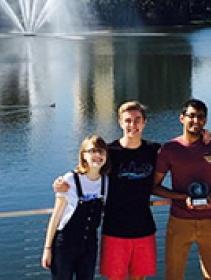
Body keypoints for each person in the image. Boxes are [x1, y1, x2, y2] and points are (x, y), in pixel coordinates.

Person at [53, 101, 159, 280]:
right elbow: (86, 171)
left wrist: (207, 137)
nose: (132, 125)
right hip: (114, 230)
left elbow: (181, 152)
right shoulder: (109, 152)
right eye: (127, 120)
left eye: (137, 120)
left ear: (144, 122)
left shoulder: (154, 150)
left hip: (144, 227)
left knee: (139, 278)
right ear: (120, 122)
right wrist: (60, 183)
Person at [152, 98, 211, 280]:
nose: (196, 121)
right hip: (180, 220)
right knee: (174, 274)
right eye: (191, 116)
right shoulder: (170, 149)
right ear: (182, 118)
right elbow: (155, 187)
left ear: (205, 121)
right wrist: (181, 197)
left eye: (201, 117)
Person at [42, 135, 110, 280]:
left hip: (89, 245)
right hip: (65, 244)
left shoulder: (106, 181)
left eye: (102, 151)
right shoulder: (70, 179)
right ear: (83, 155)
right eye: (92, 151)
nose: (98, 155)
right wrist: (47, 249)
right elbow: (56, 217)